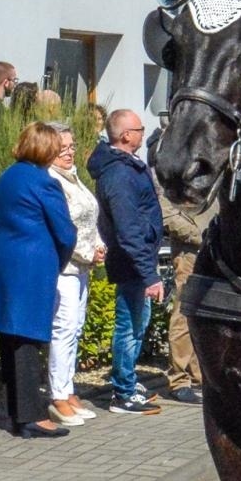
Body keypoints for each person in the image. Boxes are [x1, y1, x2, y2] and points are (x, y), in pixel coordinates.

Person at [0, 122, 78, 437]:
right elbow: (64, 231)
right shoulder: (44, 181)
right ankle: (31, 417)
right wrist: (57, 261)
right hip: (31, 264)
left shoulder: (7, 176)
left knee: (9, 337)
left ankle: (7, 411)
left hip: (1, 260)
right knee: (27, 340)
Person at [88, 108, 165, 415]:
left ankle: (128, 379)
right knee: (129, 326)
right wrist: (149, 275)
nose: (143, 133)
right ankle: (122, 392)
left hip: (140, 256)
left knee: (139, 321)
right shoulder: (118, 174)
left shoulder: (128, 165)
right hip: (131, 259)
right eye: (139, 129)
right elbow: (127, 228)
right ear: (124, 135)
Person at [47, 126, 106, 426]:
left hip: (82, 267)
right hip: (64, 267)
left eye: (72, 146)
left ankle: (68, 388)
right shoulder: (52, 180)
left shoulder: (74, 177)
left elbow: (88, 218)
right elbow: (63, 225)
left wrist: (98, 245)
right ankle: (58, 394)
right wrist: (86, 252)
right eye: (63, 148)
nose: (69, 152)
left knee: (76, 328)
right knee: (64, 329)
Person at [158, 184, 215, 405]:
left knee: (204, 316)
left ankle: (198, 373)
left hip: (213, 250)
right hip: (189, 253)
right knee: (183, 315)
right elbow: (165, 211)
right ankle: (179, 379)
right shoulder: (173, 176)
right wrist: (198, 235)